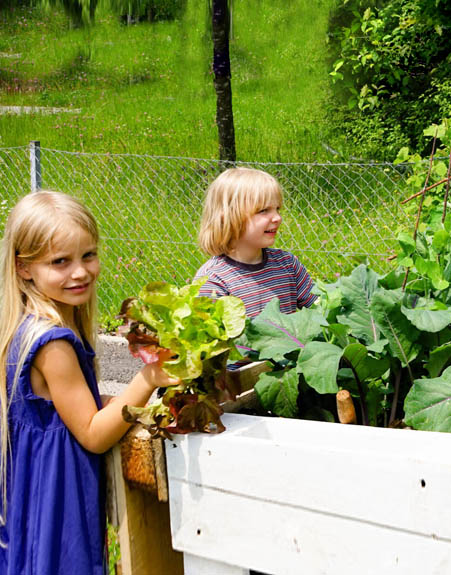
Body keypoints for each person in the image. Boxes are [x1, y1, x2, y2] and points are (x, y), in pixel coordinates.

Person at [0, 191, 176, 574]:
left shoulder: (25, 326)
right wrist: (149, 377)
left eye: (88, 255)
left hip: (30, 496)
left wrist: (118, 400)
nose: (79, 272)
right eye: (60, 262)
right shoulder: (53, 343)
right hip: (57, 500)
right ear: (23, 268)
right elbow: (93, 433)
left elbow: (72, 405)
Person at [194, 167, 317, 318]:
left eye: (277, 209)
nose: (277, 217)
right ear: (230, 218)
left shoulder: (288, 265)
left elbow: (322, 308)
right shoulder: (213, 280)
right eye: (264, 210)